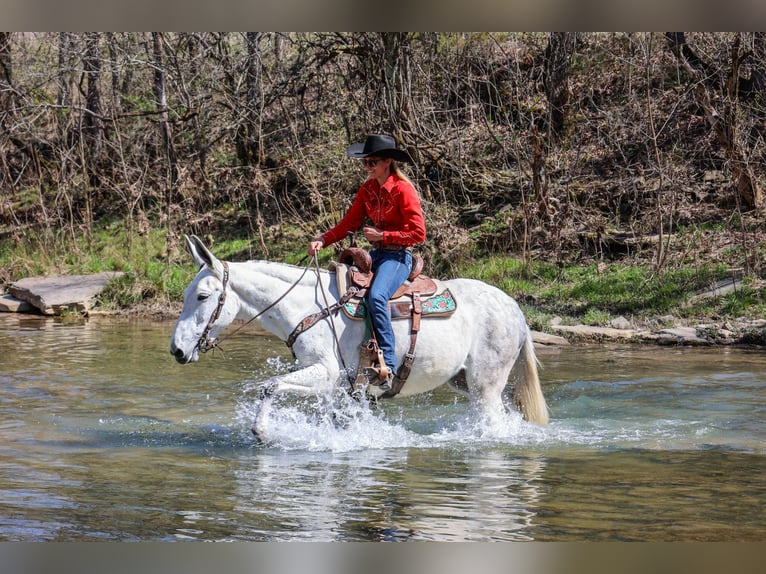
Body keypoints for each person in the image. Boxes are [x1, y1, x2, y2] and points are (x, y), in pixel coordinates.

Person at [308, 134, 426, 391]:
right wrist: (322, 240)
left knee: (377, 298)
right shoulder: (368, 190)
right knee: (343, 294)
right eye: (365, 162)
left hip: (397, 257)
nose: (367, 167)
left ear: (387, 162)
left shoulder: (403, 190)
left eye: (371, 162)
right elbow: (349, 223)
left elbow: (419, 233)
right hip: (376, 255)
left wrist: (383, 235)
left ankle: (390, 367)